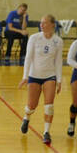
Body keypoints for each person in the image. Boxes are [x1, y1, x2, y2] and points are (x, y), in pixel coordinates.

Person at [18, 14, 62, 144]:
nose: (41, 25)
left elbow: (58, 62)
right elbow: (28, 58)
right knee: (31, 106)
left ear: (52, 25)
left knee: (49, 106)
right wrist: (25, 76)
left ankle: (46, 132)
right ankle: (26, 118)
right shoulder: (34, 38)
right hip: (34, 75)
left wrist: (59, 80)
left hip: (50, 75)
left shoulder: (58, 41)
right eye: (41, 23)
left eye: (45, 23)